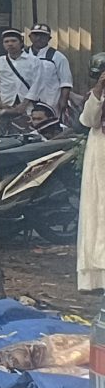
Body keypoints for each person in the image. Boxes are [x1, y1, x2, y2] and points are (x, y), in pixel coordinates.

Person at [79, 57, 105, 295]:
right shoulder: (96, 96)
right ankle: (95, 277)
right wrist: (98, 90)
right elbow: (89, 120)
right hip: (99, 153)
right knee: (96, 208)